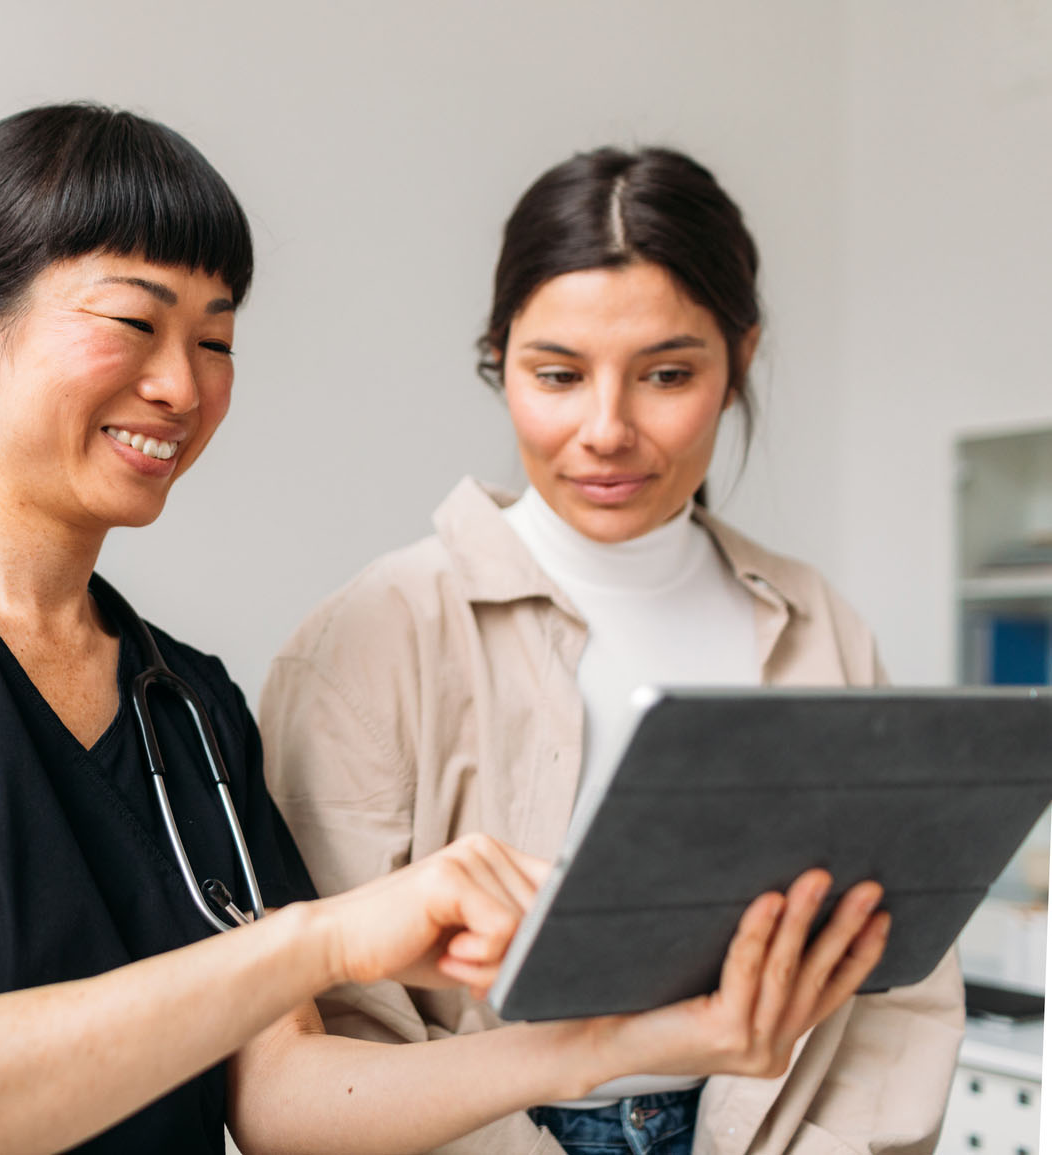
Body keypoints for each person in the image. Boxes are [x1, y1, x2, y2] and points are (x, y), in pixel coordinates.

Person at [0, 110, 894, 1155]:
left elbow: (280, 1097)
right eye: (132, 323)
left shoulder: (187, 706)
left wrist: (639, 1041)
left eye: (216, 337)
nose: (181, 385)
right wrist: (327, 935)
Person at [259, 146, 966, 1155]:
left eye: (666, 375)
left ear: (739, 364)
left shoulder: (816, 624)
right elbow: (336, 1024)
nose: (605, 429)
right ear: (499, 359)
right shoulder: (369, 636)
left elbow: (898, 977)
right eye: (556, 374)